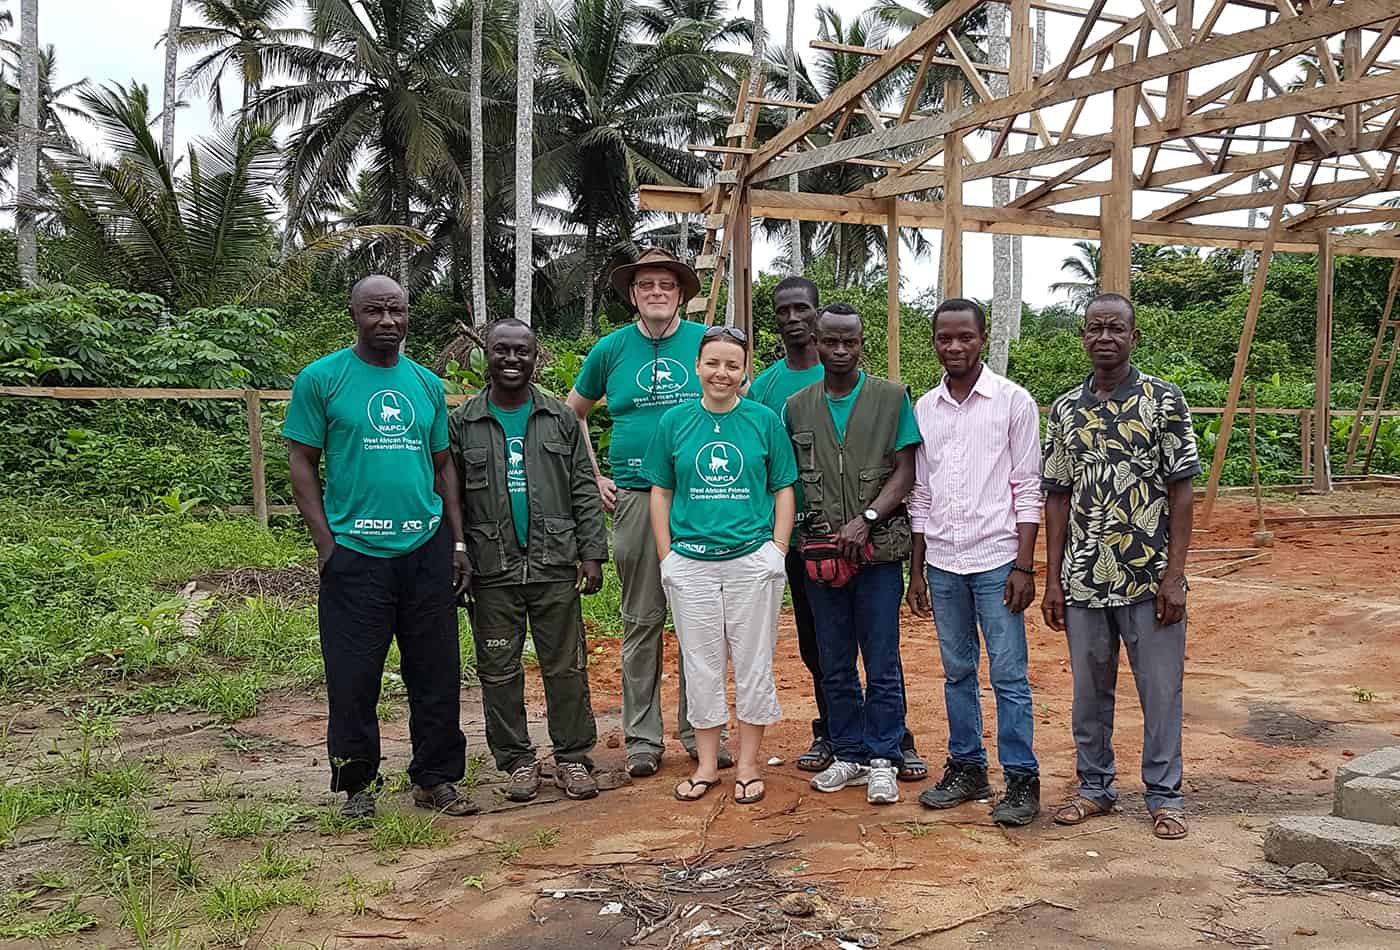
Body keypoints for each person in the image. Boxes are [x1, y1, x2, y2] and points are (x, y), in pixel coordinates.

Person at [284, 275, 474, 820]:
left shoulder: (425, 384)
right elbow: (302, 463)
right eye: (374, 311)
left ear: (408, 314)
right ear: (354, 314)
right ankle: (355, 786)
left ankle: (435, 778)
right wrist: (327, 545)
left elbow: (443, 467)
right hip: (356, 552)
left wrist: (456, 541)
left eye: (396, 310)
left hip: (425, 547)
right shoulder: (323, 379)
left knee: (436, 671)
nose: (386, 321)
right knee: (353, 675)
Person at [748, 279, 926, 782]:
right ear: (818, 343)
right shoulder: (796, 405)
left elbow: (905, 471)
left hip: (880, 552)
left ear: (862, 344)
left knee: (882, 657)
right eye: (832, 341)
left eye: (850, 341)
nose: (841, 350)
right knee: (833, 658)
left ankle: (886, 755)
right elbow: (782, 475)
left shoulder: (892, 398)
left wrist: (866, 519)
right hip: (818, 552)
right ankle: (847, 750)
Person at [566, 247, 730, 778]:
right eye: (645, 286)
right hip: (636, 496)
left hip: (700, 497)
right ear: (633, 295)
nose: (656, 292)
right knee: (642, 619)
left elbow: (737, 405)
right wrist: (594, 475)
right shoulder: (611, 350)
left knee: (699, 620)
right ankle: (642, 738)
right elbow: (574, 415)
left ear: (682, 292)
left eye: (665, 284)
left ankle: (699, 730)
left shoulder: (704, 346)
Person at [1041, 292, 1198, 841]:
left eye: (1115, 328)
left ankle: (1164, 795)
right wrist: (1054, 577)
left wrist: (1175, 575)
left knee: (1160, 690)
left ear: (1134, 335)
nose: (1103, 337)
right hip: (1084, 577)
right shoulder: (1064, 410)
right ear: (1083, 336)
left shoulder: (1163, 400)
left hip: (1149, 576)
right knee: (1089, 692)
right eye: (1094, 328)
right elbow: (1056, 496)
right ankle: (1094, 787)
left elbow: (1182, 491)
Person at [449, 318, 608, 803]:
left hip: (555, 563)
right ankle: (517, 761)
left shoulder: (559, 417)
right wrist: (457, 555)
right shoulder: (464, 421)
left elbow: (583, 485)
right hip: (490, 566)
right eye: (502, 350)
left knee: (566, 666)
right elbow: (450, 494)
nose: (512, 359)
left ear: (535, 357)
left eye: (522, 351)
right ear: (486, 355)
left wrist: (592, 552)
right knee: (498, 669)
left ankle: (573, 758)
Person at [643, 325, 797, 805]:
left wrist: (778, 549)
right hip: (692, 563)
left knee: (753, 664)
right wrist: (667, 556)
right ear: (697, 367)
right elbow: (661, 492)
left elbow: (783, 488)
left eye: (732, 364)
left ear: (744, 370)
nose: (722, 373)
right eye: (713, 363)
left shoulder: (763, 421)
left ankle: (749, 763)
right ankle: (708, 763)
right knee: (701, 665)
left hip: (752, 561)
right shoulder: (675, 422)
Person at [906, 299, 1043, 826]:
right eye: (945, 338)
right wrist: (916, 571)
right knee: (957, 672)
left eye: (965, 337)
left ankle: (1021, 778)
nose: (955, 347)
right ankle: (967, 767)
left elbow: (1027, 487)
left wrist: (1024, 566)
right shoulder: (924, 408)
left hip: (996, 561)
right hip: (942, 562)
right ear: (935, 341)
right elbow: (921, 494)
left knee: (1009, 674)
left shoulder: (1013, 402)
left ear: (982, 338)